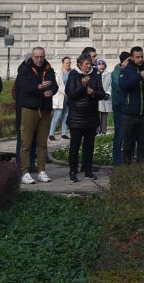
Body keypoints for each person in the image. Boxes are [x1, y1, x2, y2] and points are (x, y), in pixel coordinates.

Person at [16, 47, 58, 184]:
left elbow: (55, 86)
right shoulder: (25, 69)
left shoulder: (49, 69)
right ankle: (25, 172)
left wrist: (51, 91)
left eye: (41, 56)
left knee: (42, 142)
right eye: (36, 57)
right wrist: (39, 87)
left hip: (45, 108)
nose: (39, 59)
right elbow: (24, 87)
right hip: (30, 108)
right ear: (32, 57)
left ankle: (41, 170)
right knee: (26, 142)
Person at [65, 53, 104, 182]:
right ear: (80, 65)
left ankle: (88, 170)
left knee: (89, 145)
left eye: (90, 63)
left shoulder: (96, 75)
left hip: (91, 116)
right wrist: (82, 85)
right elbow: (70, 94)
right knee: (75, 145)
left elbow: (102, 94)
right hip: (76, 116)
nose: (89, 66)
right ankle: (73, 171)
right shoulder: (74, 75)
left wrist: (93, 92)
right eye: (86, 64)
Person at [119, 46, 144, 164]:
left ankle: (141, 171)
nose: (140, 59)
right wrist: (139, 77)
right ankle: (126, 172)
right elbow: (123, 86)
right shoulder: (125, 71)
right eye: (137, 57)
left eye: (142, 56)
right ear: (132, 58)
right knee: (128, 144)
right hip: (129, 114)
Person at [110, 51, 130, 166]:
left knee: (129, 136)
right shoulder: (115, 73)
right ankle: (117, 162)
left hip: (129, 107)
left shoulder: (130, 71)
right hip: (120, 107)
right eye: (128, 60)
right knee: (119, 135)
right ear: (122, 62)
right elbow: (121, 86)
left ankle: (127, 161)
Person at [50, 56, 73, 141]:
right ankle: (51, 134)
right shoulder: (58, 73)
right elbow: (57, 85)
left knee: (66, 115)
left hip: (69, 97)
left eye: (69, 62)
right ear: (63, 63)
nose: (68, 64)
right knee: (58, 115)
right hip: (61, 96)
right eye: (67, 63)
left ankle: (64, 133)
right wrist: (66, 93)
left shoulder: (72, 72)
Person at [97, 59, 112, 134]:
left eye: (103, 64)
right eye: (99, 64)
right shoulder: (95, 74)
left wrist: (108, 93)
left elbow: (111, 85)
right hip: (96, 96)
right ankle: (96, 130)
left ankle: (103, 130)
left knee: (104, 113)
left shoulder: (109, 74)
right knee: (96, 113)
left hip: (105, 96)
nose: (101, 66)